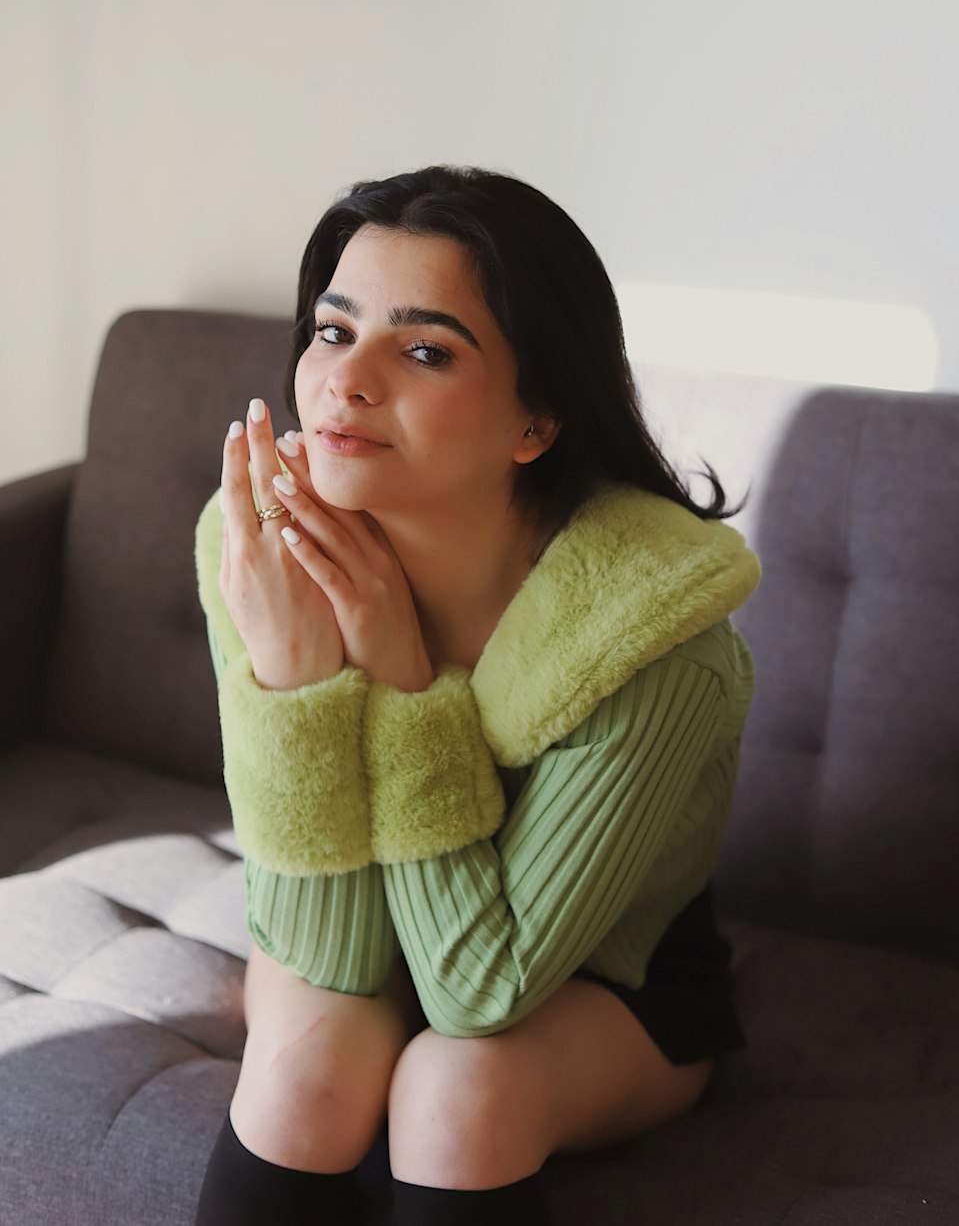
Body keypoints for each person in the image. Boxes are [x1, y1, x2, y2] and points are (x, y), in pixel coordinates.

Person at [192, 164, 761, 1226]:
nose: (344, 383)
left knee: (461, 1085)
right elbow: (327, 958)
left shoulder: (651, 634)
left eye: (422, 350)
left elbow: (477, 995)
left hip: (600, 985)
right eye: (331, 330)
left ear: (534, 421)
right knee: (312, 1053)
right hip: (355, 938)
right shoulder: (257, 552)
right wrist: (298, 674)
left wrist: (405, 682)